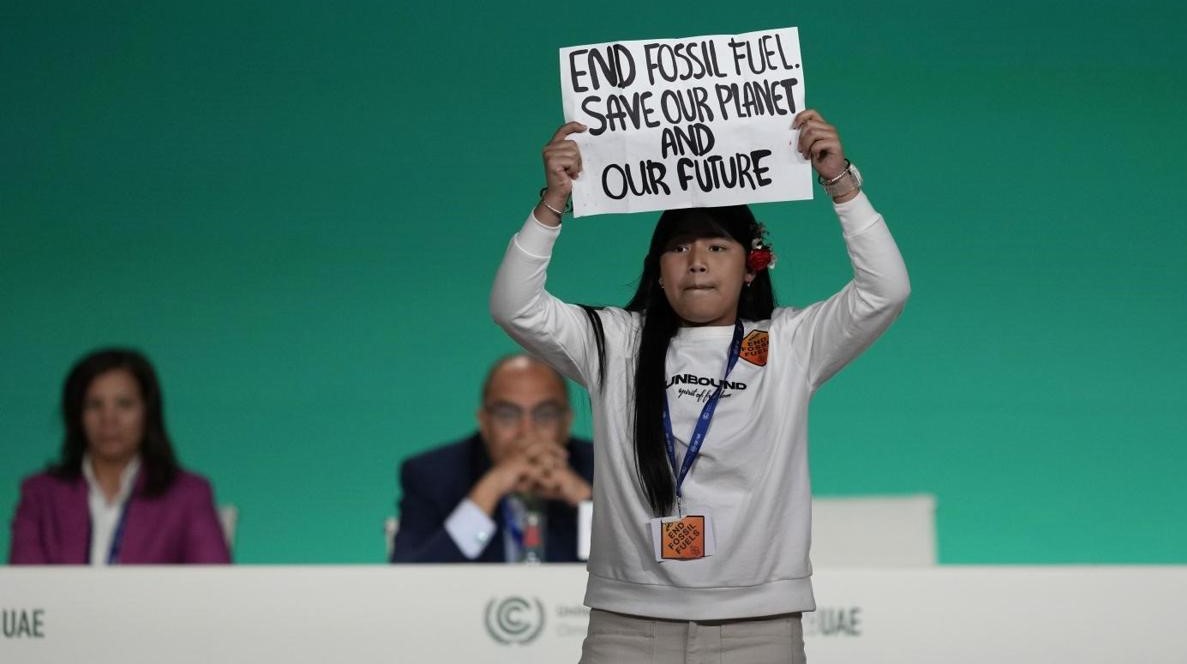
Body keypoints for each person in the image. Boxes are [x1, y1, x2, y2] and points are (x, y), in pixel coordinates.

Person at [490, 109, 910, 662]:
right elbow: (514, 305)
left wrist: (840, 182)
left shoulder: (789, 343)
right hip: (626, 627)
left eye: (717, 247)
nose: (696, 263)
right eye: (679, 247)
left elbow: (886, 291)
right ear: (657, 270)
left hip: (758, 627)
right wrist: (553, 201)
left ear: (752, 266)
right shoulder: (615, 341)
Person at [8, 348, 231, 564]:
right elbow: (24, 583)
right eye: (94, 405)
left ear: (147, 412)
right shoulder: (40, 495)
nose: (109, 419)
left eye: (124, 405)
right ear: (77, 415)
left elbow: (213, 583)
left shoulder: (187, 495)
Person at [390, 354, 595, 563]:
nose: (527, 432)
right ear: (484, 422)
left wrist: (585, 499)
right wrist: (492, 488)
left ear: (567, 421)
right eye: (507, 415)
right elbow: (409, 576)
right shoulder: (434, 476)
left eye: (545, 415)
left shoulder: (603, 471)